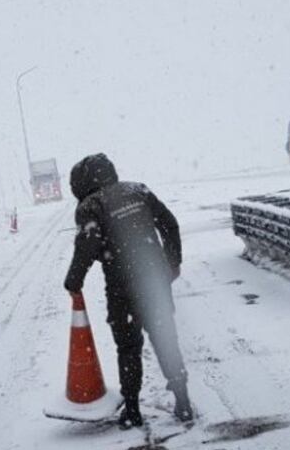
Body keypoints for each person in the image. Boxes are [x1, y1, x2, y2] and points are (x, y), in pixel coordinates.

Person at [63, 153, 193, 428]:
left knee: (128, 347)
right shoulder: (139, 191)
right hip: (154, 281)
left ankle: (132, 409)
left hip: (122, 288)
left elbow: (87, 245)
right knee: (165, 336)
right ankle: (183, 402)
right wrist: (173, 262)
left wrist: (74, 281)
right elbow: (169, 224)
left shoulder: (90, 206)